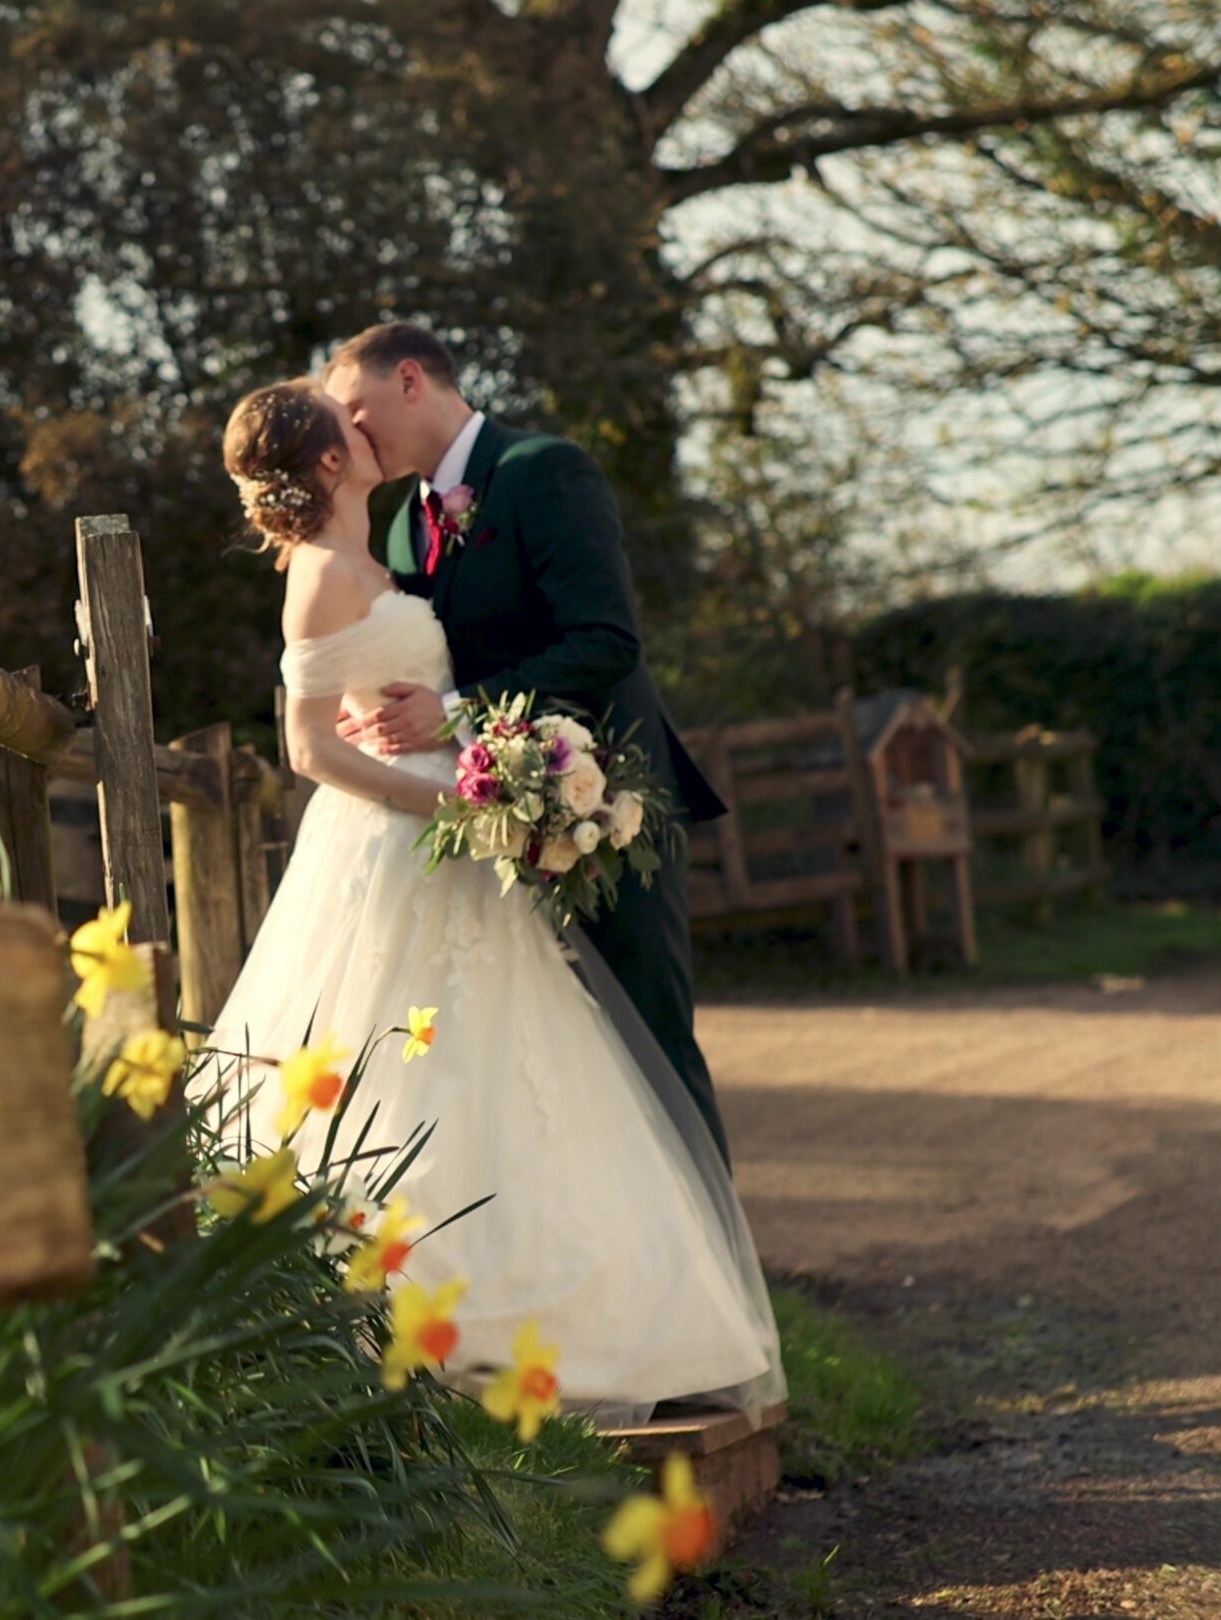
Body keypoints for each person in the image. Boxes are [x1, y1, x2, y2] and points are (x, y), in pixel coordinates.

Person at [205, 376, 780, 1418]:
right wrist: (444, 813)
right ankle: (422, 1331)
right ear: (331, 463)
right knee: (415, 1071)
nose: (366, 427)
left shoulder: (383, 554)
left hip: (459, 842)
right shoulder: (325, 573)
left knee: (500, 1071)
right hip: (398, 849)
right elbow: (304, 747)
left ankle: (548, 1323)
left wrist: (482, 771)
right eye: (348, 424)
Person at [321, 322, 732, 1166]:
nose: (350, 437)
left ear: (409, 380)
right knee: (558, 1073)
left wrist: (457, 711)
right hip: (495, 831)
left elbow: (606, 640)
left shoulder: (545, 470)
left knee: (647, 1044)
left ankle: (718, 1281)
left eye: (356, 413)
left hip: (607, 808)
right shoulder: (402, 523)